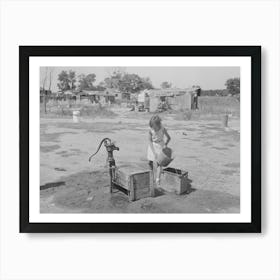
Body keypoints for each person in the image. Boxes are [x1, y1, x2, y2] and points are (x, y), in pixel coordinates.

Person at [147, 115, 171, 185]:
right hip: (152, 146)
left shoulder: (162, 129)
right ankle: (150, 177)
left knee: (158, 164)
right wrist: (154, 152)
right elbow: (149, 140)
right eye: (152, 126)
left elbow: (169, 138)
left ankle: (157, 179)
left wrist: (165, 145)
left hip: (160, 146)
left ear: (158, 124)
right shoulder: (150, 129)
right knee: (150, 162)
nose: (153, 128)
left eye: (154, 126)